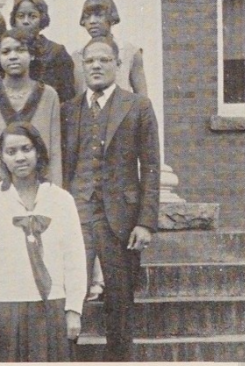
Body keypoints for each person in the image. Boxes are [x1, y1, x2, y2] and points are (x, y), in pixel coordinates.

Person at [61, 36, 160, 361]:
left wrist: (145, 222)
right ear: (82, 66)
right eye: (90, 61)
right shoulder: (69, 110)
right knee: (70, 299)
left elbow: (152, 166)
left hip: (120, 219)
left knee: (119, 303)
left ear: (118, 65)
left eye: (105, 60)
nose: (97, 66)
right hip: (77, 216)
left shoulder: (137, 106)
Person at [0, 122, 86, 362]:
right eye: (11, 152)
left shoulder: (61, 200)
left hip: (51, 306)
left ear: (39, 152)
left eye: (26, 149)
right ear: (2, 158)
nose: (20, 157)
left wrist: (74, 309)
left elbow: (75, 259)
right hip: (4, 307)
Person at [0, 28, 62, 203]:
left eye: (20, 50)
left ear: (32, 55)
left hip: (38, 186)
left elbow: (54, 151)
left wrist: (55, 193)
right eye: (6, 51)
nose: (13, 56)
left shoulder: (48, 95)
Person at [71, 0, 148, 96]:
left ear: (111, 17)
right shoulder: (77, 55)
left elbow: (142, 96)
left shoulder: (130, 51)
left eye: (99, 15)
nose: (92, 21)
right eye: (87, 16)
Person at [9, 0, 76, 103]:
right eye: (20, 16)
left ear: (42, 19)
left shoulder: (56, 52)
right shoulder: (8, 52)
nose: (26, 21)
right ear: (14, 20)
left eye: (33, 16)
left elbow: (67, 97)